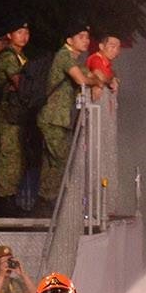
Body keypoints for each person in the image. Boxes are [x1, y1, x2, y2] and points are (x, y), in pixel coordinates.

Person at [34, 25, 107, 217]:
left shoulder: (73, 58)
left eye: (87, 37)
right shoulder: (64, 56)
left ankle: (44, 203)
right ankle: (48, 201)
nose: (86, 40)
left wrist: (108, 80)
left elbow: (95, 74)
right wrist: (96, 83)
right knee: (60, 159)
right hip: (53, 118)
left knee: (52, 162)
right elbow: (82, 79)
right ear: (69, 40)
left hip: (60, 119)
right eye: (81, 36)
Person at [0, 20, 32, 214]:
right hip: (7, 114)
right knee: (8, 157)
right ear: (10, 35)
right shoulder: (8, 56)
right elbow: (18, 81)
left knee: (16, 158)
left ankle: (10, 197)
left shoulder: (20, 56)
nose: (24, 36)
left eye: (26, 32)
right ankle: (3, 199)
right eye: (19, 32)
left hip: (18, 114)